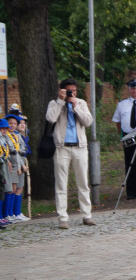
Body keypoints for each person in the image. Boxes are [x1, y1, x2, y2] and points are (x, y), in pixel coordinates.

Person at [45, 78, 95, 228]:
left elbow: (88, 122)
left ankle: (87, 215)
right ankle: (62, 217)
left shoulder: (81, 103)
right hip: (62, 148)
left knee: (83, 183)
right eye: (68, 90)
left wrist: (75, 107)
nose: (71, 93)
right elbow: (50, 118)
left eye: (73, 90)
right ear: (61, 90)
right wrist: (61, 102)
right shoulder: (54, 104)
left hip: (80, 147)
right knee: (61, 184)